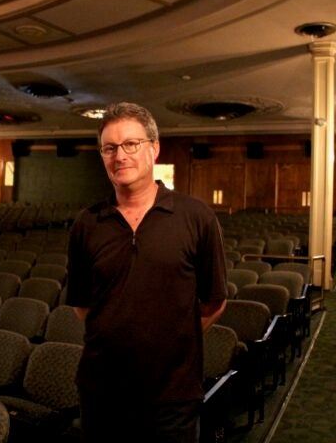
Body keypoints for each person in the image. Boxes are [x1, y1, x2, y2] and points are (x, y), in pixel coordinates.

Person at [66, 102, 228, 442]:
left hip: (172, 396)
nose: (119, 156)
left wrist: (167, 340)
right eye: (109, 148)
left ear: (154, 148)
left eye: (130, 144)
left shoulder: (196, 216)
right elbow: (82, 304)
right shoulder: (86, 223)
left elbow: (214, 301)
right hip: (101, 392)